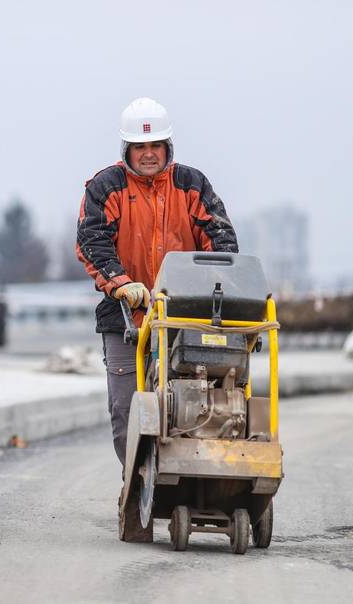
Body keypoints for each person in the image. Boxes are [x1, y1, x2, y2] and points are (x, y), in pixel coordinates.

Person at [75, 97, 239, 468]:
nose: (148, 154)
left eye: (155, 146)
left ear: (168, 147)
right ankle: (136, 488)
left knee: (199, 401)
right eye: (140, 147)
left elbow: (222, 241)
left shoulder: (192, 185)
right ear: (127, 150)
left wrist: (214, 286)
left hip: (186, 317)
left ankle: (195, 475)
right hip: (126, 317)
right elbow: (92, 239)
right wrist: (121, 283)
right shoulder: (105, 187)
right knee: (126, 413)